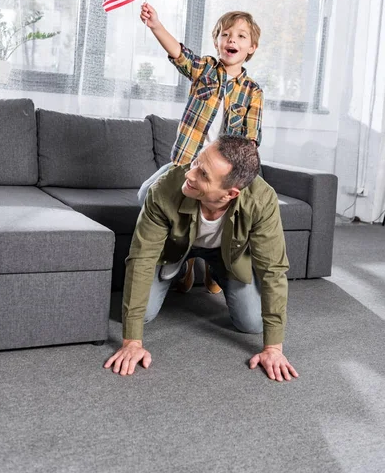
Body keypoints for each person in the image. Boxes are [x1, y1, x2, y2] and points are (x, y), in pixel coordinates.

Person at [104, 136, 298, 382]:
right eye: (196, 161)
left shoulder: (262, 200)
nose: (191, 174)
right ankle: (184, 266)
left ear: (231, 193)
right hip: (176, 245)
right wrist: (132, 341)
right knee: (139, 315)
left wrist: (273, 349)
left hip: (225, 252)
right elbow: (141, 259)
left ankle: (212, 270)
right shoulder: (167, 188)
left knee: (253, 324)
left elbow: (273, 270)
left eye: (203, 174)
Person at [138, 2, 264, 294]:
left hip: (222, 174)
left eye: (241, 36)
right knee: (146, 193)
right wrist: (155, 24)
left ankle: (213, 263)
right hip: (186, 163)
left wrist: (237, 178)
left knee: (227, 210)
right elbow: (179, 54)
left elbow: (251, 140)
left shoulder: (253, 91)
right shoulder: (205, 69)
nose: (231, 39)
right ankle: (184, 259)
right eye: (225, 34)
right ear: (217, 41)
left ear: (252, 47)